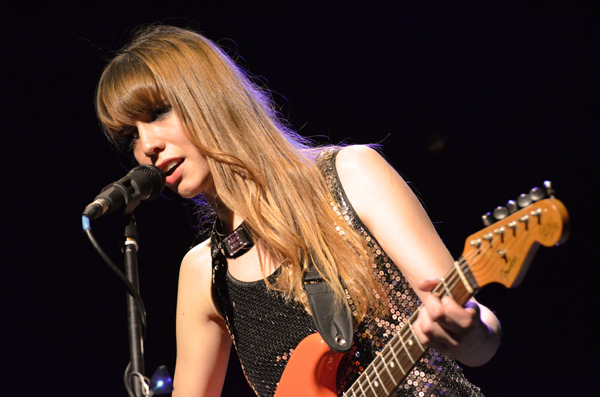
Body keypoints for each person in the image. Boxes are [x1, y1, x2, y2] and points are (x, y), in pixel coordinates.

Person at [95, 24, 501, 397]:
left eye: (158, 114)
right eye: (131, 135)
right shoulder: (204, 273)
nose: (146, 145)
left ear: (208, 97)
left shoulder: (351, 176)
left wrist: (468, 332)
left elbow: (478, 338)